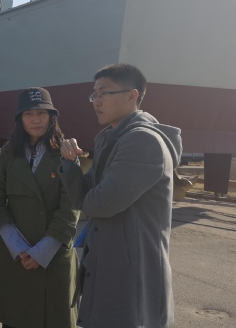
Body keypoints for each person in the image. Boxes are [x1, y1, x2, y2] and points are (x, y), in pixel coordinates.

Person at [59, 64, 181, 328]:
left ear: (132, 95)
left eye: (104, 93)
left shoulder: (143, 142)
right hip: (108, 268)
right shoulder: (109, 139)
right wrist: (69, 164)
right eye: (94, 94)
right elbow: (82, 199)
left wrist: (89, 195)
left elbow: (99, 205)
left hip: (131, 276)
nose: (97, 101)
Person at [0, 87, 80, 328]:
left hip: (53, 257)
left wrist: (42, 252)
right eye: (29, 113)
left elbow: (71, 207)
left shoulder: (65, 152)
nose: (36, 119)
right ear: (20, 119)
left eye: (42, 113)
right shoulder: (9, 152)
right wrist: (17, 246)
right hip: (16, 257)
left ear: (52, 117)